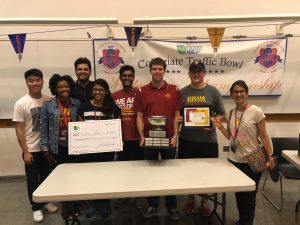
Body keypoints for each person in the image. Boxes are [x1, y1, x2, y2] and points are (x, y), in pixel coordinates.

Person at [211, 80, 275, 225]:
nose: (238, 94)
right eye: (235, 92)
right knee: (239, 194)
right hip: (234, 160)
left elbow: (264, 136)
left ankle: (247, 222)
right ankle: (242, 220)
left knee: (249, 197)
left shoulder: (256, 112)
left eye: (241, 91)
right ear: (232, 94)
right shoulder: (232, 113)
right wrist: (220, 126)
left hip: (252, 160)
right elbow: (231, 137)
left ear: (247, 93)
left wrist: (270, 156)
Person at [134, 57, 182, 221]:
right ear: (150, 70)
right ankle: (152, 204)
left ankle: (172, 206)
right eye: (154, 69)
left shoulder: (174, 90)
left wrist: (175, 135)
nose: (157, 72)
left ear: (164, 70)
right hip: (149, 140)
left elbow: (177, 115)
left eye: (160, 69)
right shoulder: (142, 91)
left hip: (169, 140)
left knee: (170, 174)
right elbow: (139, 116)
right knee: (151, 174)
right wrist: (141, 137)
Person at [179, 60, 225, 216]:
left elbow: (221, 113)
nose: (196, 74)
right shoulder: (182, 92)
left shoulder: (213, 91)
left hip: (208, 141)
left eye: (199, 71)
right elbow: (177, 115)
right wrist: (178, 119)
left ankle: (205, 200)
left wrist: (215, 122)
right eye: (193, 71)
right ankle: (191, 198)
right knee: (187, 172)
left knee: (207, 173)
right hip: (187, 140)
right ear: (189, 74)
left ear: (204, 73)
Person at [12, 68, 58, 223]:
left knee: (47, 178)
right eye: (31, 80)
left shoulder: (49, 99)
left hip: (47, 149)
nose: (35, 83)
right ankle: (36, 207)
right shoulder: (21, 103)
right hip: (31, 149)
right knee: (32, 180)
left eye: (38, 80)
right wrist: (25, 151)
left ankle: (45, 201)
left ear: (43, 81)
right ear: (26, 82)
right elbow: (18, 128)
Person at [39, 74, 81, 220]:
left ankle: (74, 206)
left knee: (75, 178)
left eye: (66, 86)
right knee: (62, 180)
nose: (64, 89)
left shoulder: (76, 103)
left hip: (74, 148)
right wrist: (45, 151)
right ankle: (65, 209)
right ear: (55, 89)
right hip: (57, 149)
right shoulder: (48, 106)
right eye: (60, 87)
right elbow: (43, 129)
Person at [78, 78, 120, 218]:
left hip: (106, 151)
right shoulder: (84, 107)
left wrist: (116, 145)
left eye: (101, 90)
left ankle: (104, 202)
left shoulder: (113, 108)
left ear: (106, 91)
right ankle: (92, 202)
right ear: (92, 91)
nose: (98, 92)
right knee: (90, 177)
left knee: (105, 177)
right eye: (95, 89)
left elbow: (117, 129)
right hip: (89, 151)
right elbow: (79, 128)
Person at [112, 65, 144, 161]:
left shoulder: (140, 93)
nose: (127, 78)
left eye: (130, 76)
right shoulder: (113, 96)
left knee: (140, 168)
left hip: (138, 138)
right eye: (124, 75)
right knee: (123, 170)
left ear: (133, 77)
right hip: (121, 140)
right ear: (120, 77)